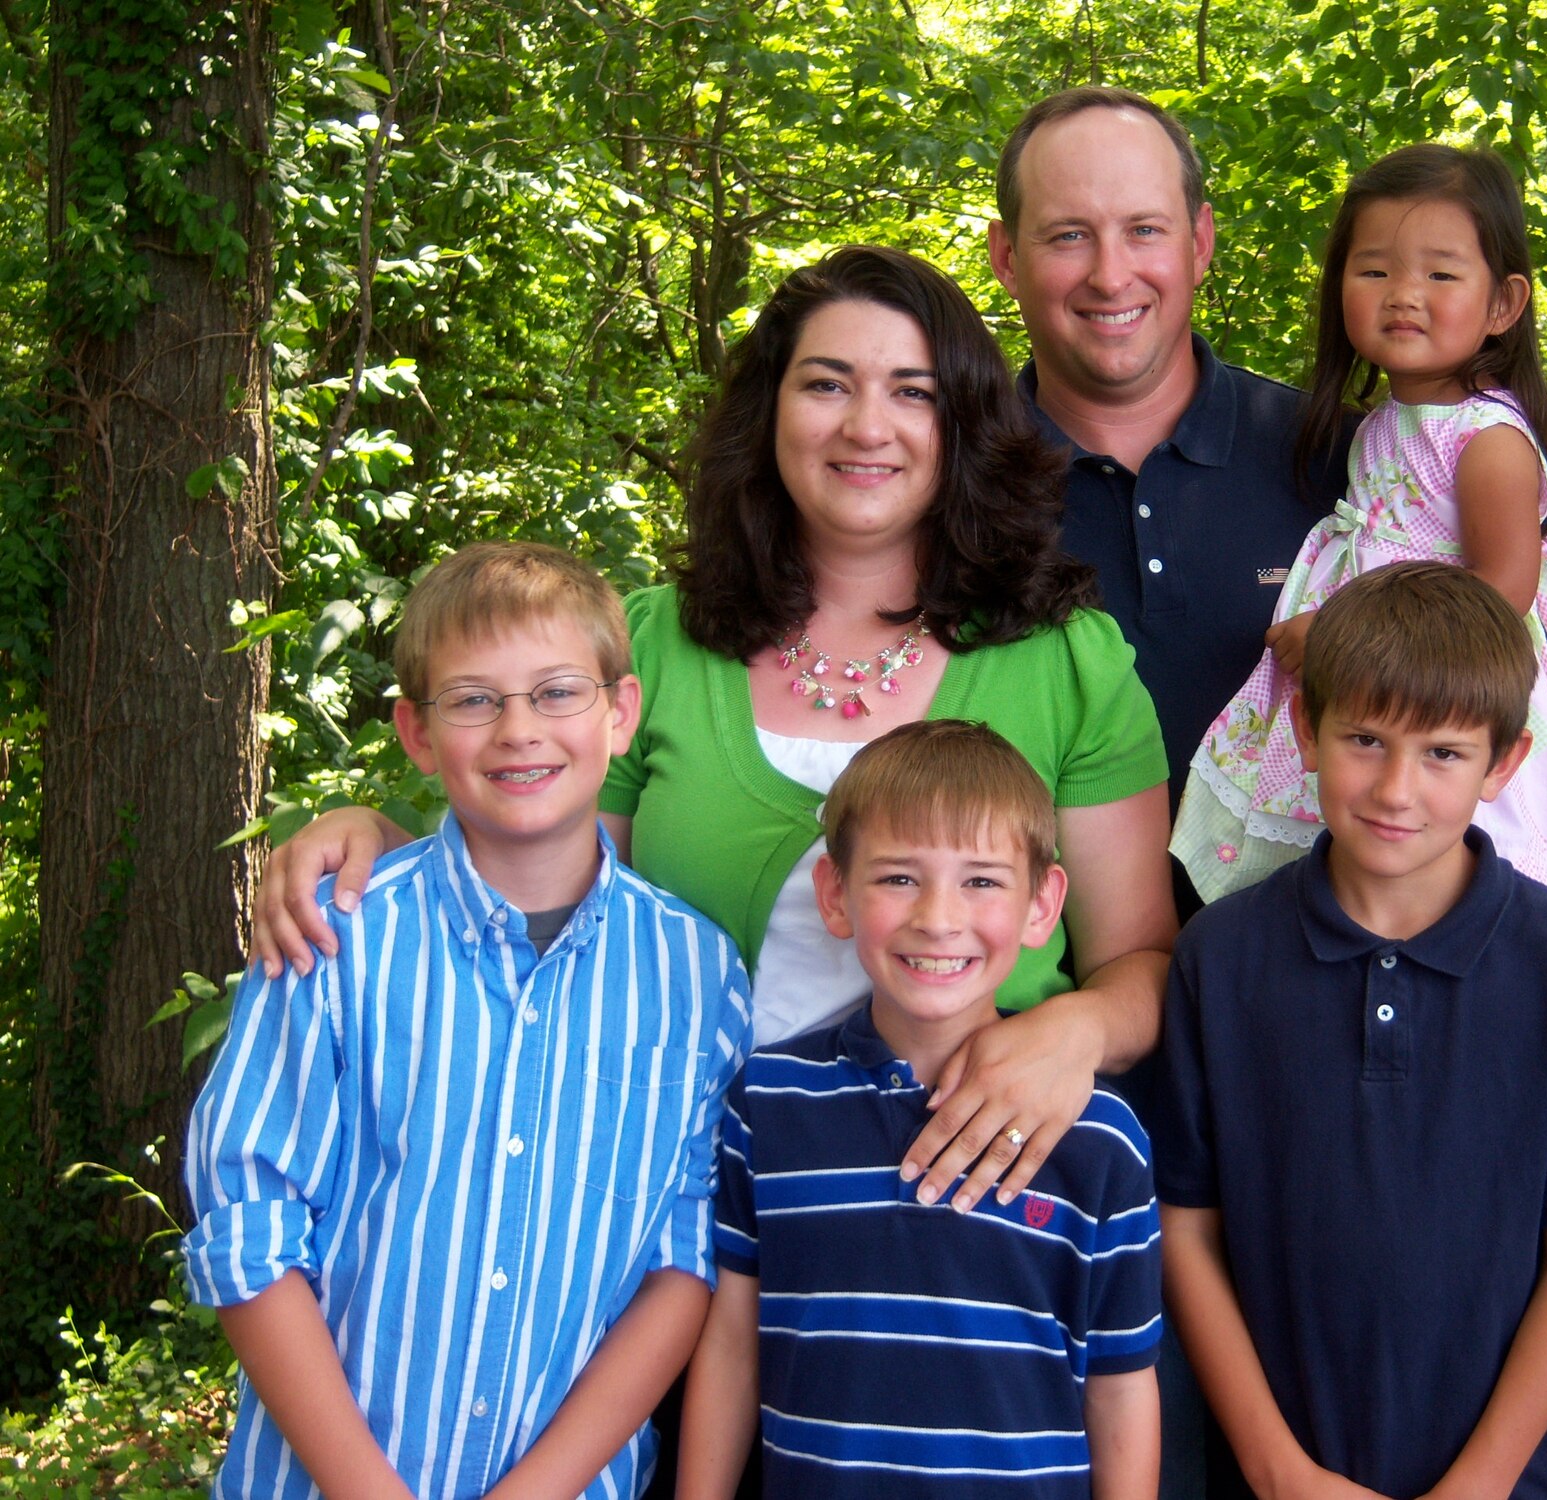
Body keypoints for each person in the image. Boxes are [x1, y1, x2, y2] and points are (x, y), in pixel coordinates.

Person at [246, 244, 1176, 1223]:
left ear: (964, 425)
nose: (867, 425)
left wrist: (1073, 1032)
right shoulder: (654, 645)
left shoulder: (1067, 662)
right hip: (664, 1217)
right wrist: (379, 842)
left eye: (913, 392)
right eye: (826, 384)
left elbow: (1140, 965)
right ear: (769, 411)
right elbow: (537, 904)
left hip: (969, 1226)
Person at [182, 541, 753, 1499]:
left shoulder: (693, 974)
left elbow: (680, 1263)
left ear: (621, 715)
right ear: (415, 732)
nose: (518, 730)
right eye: (474, 699)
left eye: (558, 692)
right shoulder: (335, 938)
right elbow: (249, 1234)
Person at [1155, 562, 1547, 1500]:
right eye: (1365, 739)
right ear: (1307, 733)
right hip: (1284, 1474)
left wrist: (1476, 1488)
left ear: (1503, 764)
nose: (1397, 788)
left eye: (1442, 753)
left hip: (1515, 1480)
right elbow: (1185, 1231)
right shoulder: (1221, 959)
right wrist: (1277, 1472)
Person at [677, 720, 1162, 1500]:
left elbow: (1121, 1385)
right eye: (900, 877)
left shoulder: (1099, 1139)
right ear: (836, 894)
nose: (939, 917)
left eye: (982, 881)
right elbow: (732, 1344)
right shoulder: (768, 1103)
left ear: (1043, 905)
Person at [1173, 143, 1547, 903]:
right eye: (1374, 270)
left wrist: (1340, 634)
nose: (1404, 294)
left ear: (1503, 304)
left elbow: (1498, 596)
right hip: (1374, 697)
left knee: (1429, 875)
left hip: (1444, 698)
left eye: (1440, 274)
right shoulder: (1384, 422)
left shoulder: (1487, 441)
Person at [989, 87, 1359, 808]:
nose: (1110, 274)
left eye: (1144, 230)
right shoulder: (948, 482)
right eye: (1068, 234)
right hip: (1044, 921)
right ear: (1007, 257)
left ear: (1201, 243)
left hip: (1322, 919)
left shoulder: (1342, 459)